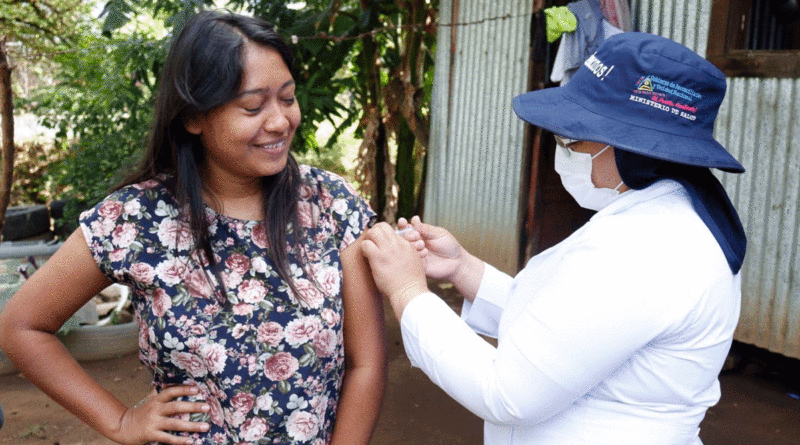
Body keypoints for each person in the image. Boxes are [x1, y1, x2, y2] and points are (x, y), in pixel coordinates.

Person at [0, 10, 386, 445]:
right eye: (253, 106)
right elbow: (22, 326)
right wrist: (121, 421)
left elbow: (365, 363)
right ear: (194, 116)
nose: (280, 121)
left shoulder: (331, 205)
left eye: (288, 97)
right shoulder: (136, 218)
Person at [362, 32, 746, 444]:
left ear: (630, 146)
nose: (563, 149)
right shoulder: (664, 218)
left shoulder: (647, 251)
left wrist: (407, 293)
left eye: (573, 139)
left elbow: (507, 393)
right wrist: (462, 268)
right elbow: (564, 331)